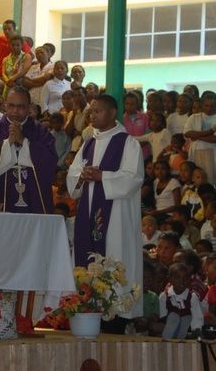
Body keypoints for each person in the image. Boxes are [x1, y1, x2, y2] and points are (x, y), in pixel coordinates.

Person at [67, 94, 143, 318]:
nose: (92, 115)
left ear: (112, 113)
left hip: (116, 216)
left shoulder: (128, 143)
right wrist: (82, 175)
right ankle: (86, 310)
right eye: (91, 111)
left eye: (98, 111)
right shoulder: (89, 142)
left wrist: (103, 176)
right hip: (88, 209)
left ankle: (117, 314)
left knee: (114, 253)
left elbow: (134, 177)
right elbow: (72, 173)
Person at [0, 86, 56, 213]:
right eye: (11, 106)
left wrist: (23, 141)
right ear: (5, 106)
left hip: (32, 200)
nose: (15, 111)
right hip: (1, 196)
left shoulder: (40, 131)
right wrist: (7, 143)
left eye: (21, 106)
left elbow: (50, 161)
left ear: (29, 107)